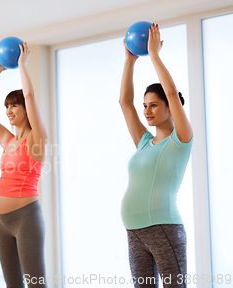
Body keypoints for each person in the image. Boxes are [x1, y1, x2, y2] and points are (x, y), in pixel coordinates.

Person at [119, 24, 193, 288]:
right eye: (145, 105)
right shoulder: (144, 143)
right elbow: (125, 103)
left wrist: (154, 55)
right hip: (134, 231)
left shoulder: (180, 140)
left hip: (163, 228)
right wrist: (129, 61)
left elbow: (172, 93)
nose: (147, 111)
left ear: (171, 108)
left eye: (154, 105)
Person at [0, 42, 48, 288]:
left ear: (27, 109)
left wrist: (21, 66)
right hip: (2, 220)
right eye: (6, 106)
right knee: (12, 285)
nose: (9, 110)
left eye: (14, 105)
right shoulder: (7, 140)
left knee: (36, 283)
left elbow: (30, 95)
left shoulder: (37, 139)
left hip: (27, 218)